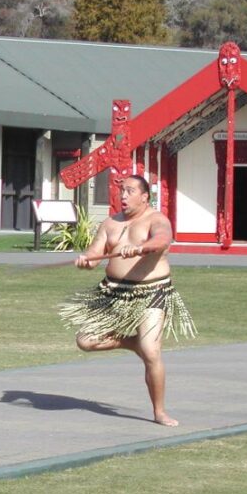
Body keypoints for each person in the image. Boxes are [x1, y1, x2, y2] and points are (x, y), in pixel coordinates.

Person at [60, 174, 196, 426]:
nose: (122, 196)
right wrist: (86, 260)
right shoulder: (110, 223)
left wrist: (141, 248)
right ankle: (132, 343)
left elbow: (162, 239)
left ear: (144, 197)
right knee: (86, 341)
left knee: (152, 352)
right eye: (121, 191)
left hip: (151, 292)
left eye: (129, 191)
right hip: (113, 292)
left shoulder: (156, 219)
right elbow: (95, 253)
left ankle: (159, 411)